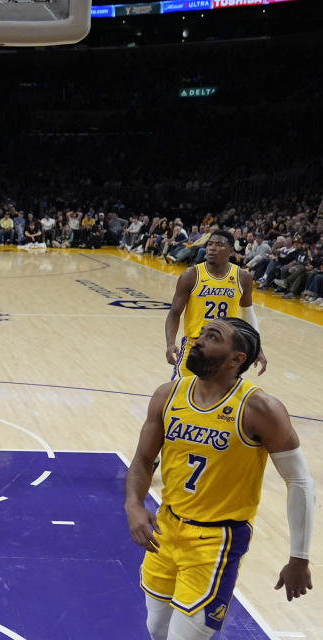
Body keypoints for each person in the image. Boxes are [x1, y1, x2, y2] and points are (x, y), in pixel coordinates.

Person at [125, 317, 314, 640]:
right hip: (166, 529)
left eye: (211, 337)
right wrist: (133, 504)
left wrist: (300, 556)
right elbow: (144, 460)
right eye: (200, 334)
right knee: (156, 629)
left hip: (217, 541)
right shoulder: (168, 395)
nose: (196, 340)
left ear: (236, 359)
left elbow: (299, 481)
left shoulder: (260, 408)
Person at [165, 229, 266, 380]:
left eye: (219, 244)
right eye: (210, 244)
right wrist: (170, 343)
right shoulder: (191, 275)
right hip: (195, 344)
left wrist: (257, 348)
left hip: (226, 348)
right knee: (179, 394)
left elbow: (247, 314)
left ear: (231, 251)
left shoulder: (242, 277)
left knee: (219, 398)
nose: (212, 248)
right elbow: (174, 313)